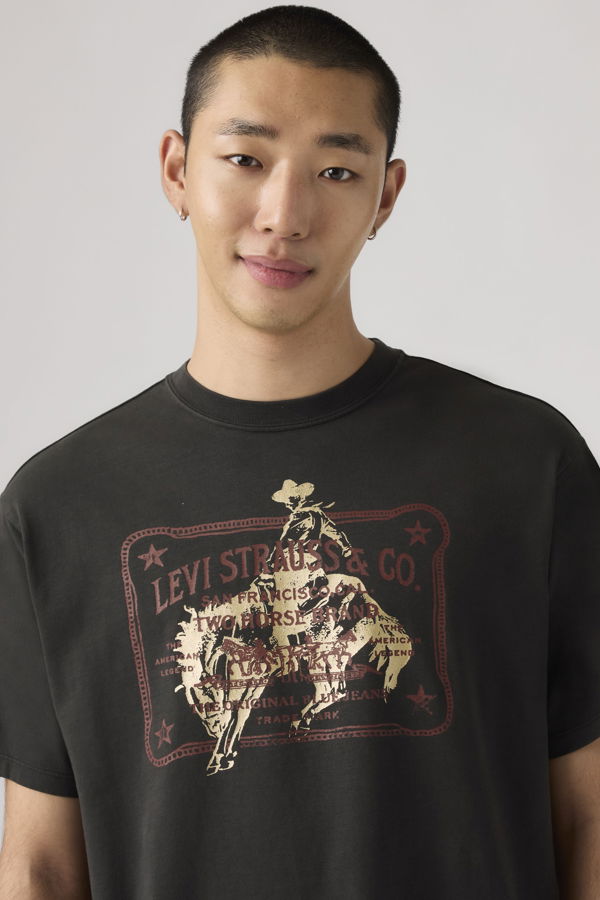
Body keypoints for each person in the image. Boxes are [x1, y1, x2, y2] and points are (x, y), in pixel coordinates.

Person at [0, 5, 599, 898]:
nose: (285, 214)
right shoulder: (57, 505)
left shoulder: (525, 463)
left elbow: (589, 815)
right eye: (245, 159)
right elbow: (41, 865)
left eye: (336, 170)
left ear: (385, 195)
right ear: (177, 170)